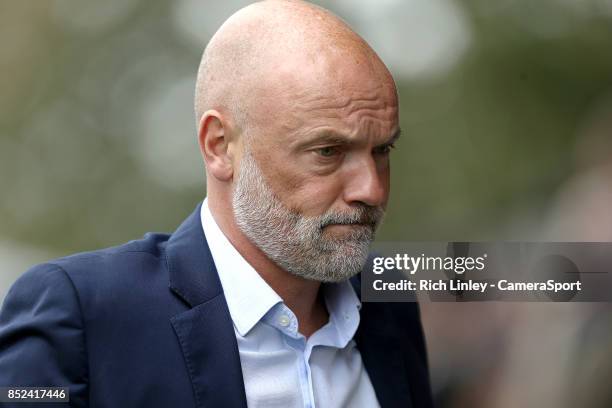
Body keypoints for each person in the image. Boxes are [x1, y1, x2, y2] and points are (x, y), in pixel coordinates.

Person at [0, 1, 432, 407]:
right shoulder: (81, 313)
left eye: (382, 151)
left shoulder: (387, 300)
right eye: (327, 152)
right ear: (220, 146)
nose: (371, 190)